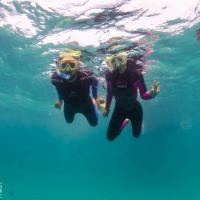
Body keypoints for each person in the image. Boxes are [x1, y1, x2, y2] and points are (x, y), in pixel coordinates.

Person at [103, 52, 160, 141]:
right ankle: (125, 122)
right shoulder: (109, 76)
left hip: (135, 109)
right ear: (110, 63)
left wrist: (152, 94)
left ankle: (140, 125)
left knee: (136, 135)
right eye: (113, 61)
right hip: (119, 109)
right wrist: (107, 108)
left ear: (125, 60)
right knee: (110, 137)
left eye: (120, 60)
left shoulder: (136, 75)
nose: (117, 65)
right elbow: (109, 93)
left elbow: (144, 95)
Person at [51, 50, 102, 126]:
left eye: (72, 65)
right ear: (59, 66)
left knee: (94, 124)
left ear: (77, 65)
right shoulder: (56, 78)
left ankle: (93, 104)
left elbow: (94, 83)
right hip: (69, 106)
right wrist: (60, 100)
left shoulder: (87, 75)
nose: (68, 69)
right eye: (64, 65)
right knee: (69, 121)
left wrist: (96, 97)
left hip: (86, 105)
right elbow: (59, 88)